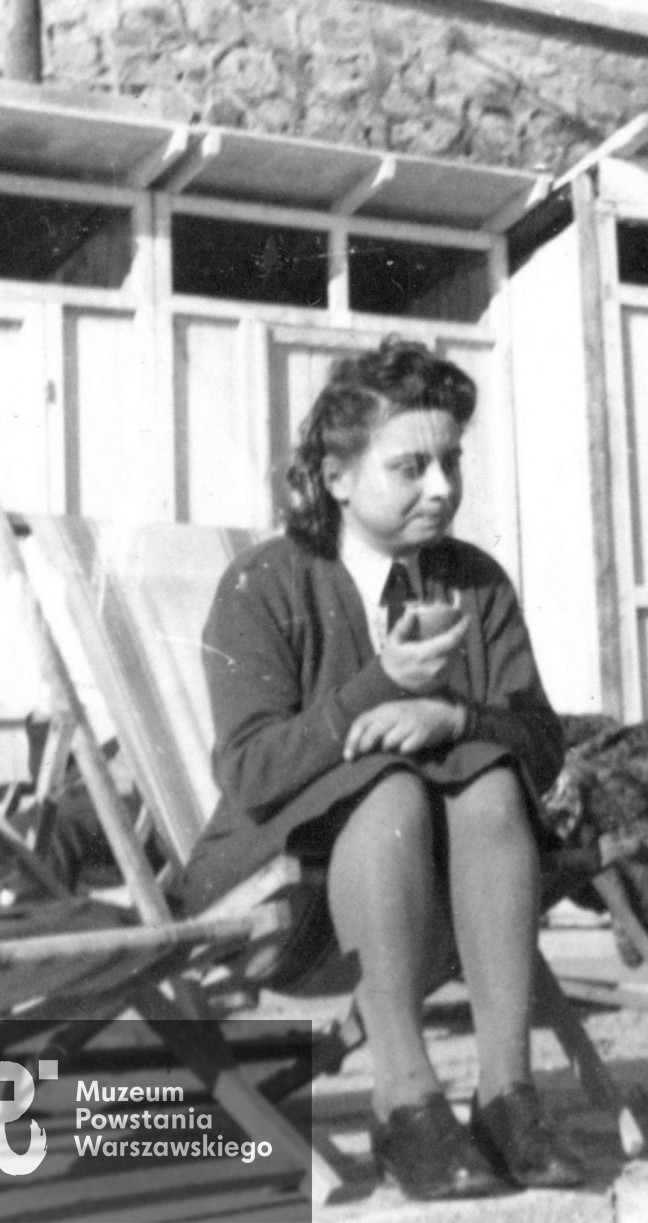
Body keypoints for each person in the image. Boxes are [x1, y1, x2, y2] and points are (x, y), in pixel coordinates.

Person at [182, 337, 582, 1201]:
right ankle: (406, 1105)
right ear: (334, 476)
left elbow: (543, 738)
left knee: (491, 778)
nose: (441, 487)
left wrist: (457, 715)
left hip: (440, 898)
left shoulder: (474, 583)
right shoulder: (264, 585)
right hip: (283, 901)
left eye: (450, 462)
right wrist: (375, 688)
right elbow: (250, 771)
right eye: (410, 467)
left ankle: (507, 1096)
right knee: (395, 783)